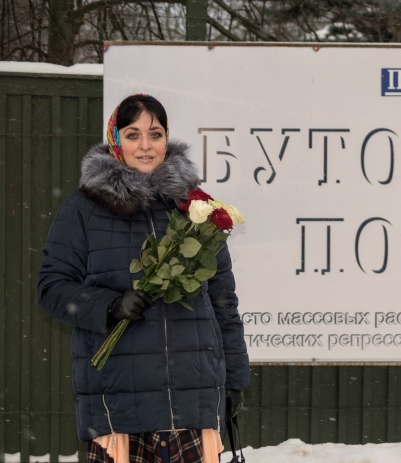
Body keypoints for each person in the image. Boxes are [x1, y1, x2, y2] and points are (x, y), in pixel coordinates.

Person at [37, 94, 250, 462]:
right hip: (118, 404)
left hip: (192, 399)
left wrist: (234, 378)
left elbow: (223, 302)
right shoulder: (83, 209)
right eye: (133, 135)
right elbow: (51, 288)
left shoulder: (195, 209)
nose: (146, 145)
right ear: (116, 141)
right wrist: (109, 306)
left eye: (155, 134)